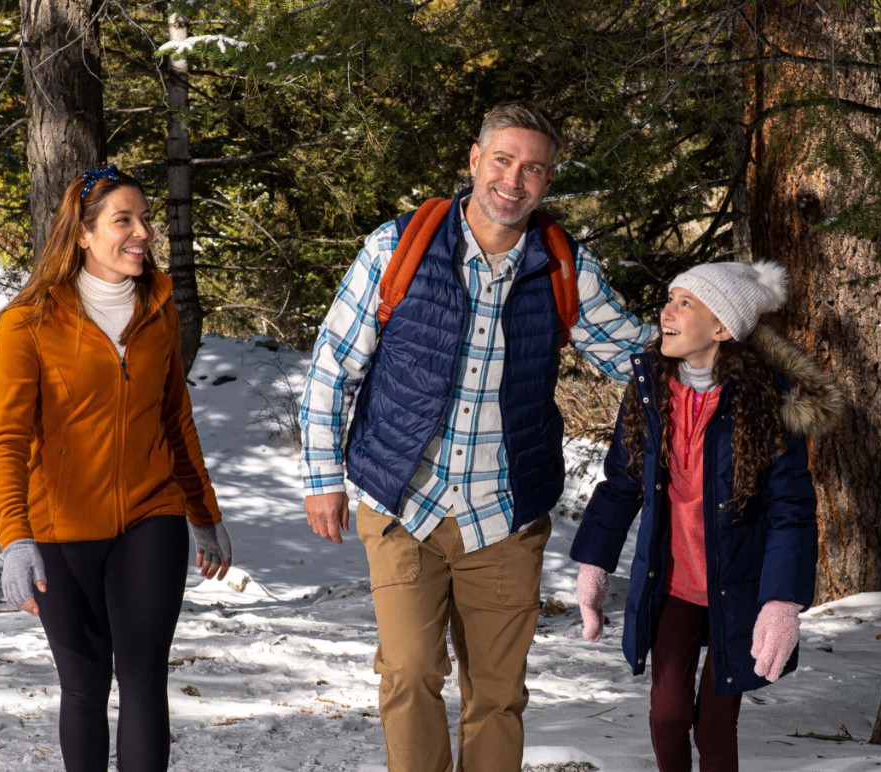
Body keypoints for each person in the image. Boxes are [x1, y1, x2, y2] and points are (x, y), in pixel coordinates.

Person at [300, 100, 655, 772]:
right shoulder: (396, 247)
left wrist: (718, 332)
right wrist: (322, 479)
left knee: (496, 694)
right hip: (404, 501)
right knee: (408, 674)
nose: (513, 181)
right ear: (474, 160)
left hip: (505, 514)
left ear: (548, 182)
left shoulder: (562, 267)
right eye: (502, 160)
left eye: (533, 169)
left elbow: (633, 354)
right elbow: (332, 365)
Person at [0, 165, 232, 772]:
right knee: (86, 686)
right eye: (124, 220)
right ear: (83, 234)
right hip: (61, 530)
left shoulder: (159, 308)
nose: (142, 232)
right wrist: (15, 538)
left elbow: (176, 418)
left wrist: (203, 513)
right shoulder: (30, 323)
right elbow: (7, 440)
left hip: (151, 520)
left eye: (144, 219)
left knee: (144, 680)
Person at [571, 261, 842, 772]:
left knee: (715, 728)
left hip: (738, 590)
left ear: (721, 328)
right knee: (668, 716)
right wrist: (593, 567)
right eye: (670, 298)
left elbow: (792, 509)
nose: (666, 311)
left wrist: (781, 602)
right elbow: (623, 482)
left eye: (684, 303)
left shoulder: (763, 400)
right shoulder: (649, 387)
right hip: (672, 585)